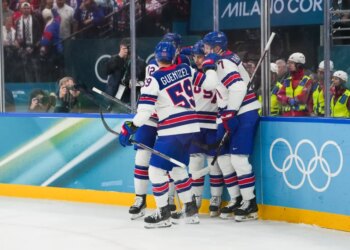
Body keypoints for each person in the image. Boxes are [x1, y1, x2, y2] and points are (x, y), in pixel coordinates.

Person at [118, 41, 218, 228]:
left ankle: (163, 213)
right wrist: (210, 66)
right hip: (191, 128)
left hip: (172, 129)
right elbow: (211, 84)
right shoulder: (186, 69)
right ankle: (190, 211)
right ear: (173, 57)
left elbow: (145, 112)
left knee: (155, 170)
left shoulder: (154, 78)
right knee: (177, 169)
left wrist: (130, 126)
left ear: (156, 58)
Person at [202, 31, 260, 222]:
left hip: (243, 111)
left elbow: (238, 88)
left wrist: (230, 112)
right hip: (228, 111)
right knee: (224, 160)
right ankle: (235, 198)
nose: (205, 49)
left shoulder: (224, 62)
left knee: (238, 159)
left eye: (208, 46)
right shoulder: (219, 61)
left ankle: (250, 202)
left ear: (217, 48)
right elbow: (210, 86)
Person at [188, 40, 224, 217]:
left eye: (201, 56)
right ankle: (195, 199)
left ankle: (216, 198)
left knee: (214, 164)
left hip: (213, 125)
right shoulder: (192, 74)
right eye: (196, 56)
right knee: (195, 163)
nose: (198, 60)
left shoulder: (218, 73)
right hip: (196, 125)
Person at [105, 38, 146, 109]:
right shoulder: (115, 59)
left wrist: (135, 83)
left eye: (128, 48)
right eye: (123, 48)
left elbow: (144, 82)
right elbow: (106, 71)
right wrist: (119, 57)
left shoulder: (140, 62)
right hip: (114, 96)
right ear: (120, 48)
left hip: (130, 98)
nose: (126, 50)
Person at [277, 52, 313, 117]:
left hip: (301, 117)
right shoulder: (287, 81)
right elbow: (279, 95)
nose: (289, 65)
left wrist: (294, 100)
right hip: (286, 117)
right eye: (288, 63)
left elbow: (303, 98)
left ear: (299, 65)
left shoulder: (307, 81)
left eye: (292, 63)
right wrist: (288, 100)